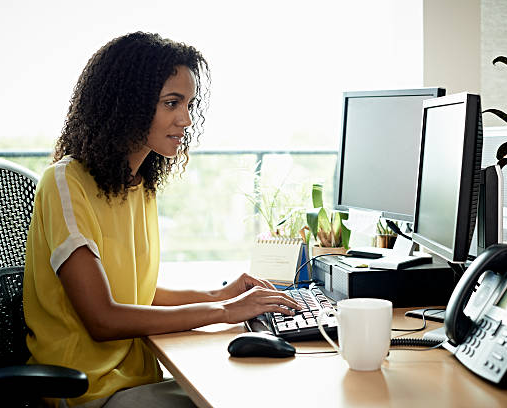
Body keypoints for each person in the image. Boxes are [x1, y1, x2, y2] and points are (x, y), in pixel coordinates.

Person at [23, 32, 300, 408]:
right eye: (172, 103)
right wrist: (224, 312)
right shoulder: (65, 183)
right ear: (127, 105)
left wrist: (221, 295)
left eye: (189, 104)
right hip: (87, 390)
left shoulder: (141, 186)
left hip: (134, 380)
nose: (186, 119)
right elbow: (102, 318)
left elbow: (139, 295)